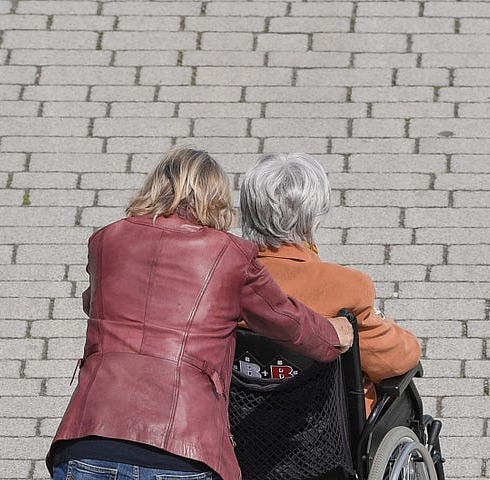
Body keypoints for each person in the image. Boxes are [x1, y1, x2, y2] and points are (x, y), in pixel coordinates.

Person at [47, 148, 354, 480]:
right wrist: (332, 334)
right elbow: (285, 321)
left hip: (89, 438)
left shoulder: (106, 239)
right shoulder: (232, 256)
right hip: (184, 450)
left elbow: (92, 302)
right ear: (217, 197)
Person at [239, 152, 421, 413]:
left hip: (243, 429)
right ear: (315, 215)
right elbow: (394, 361)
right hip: (329, 438)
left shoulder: (224, 279)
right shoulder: (346, 287)